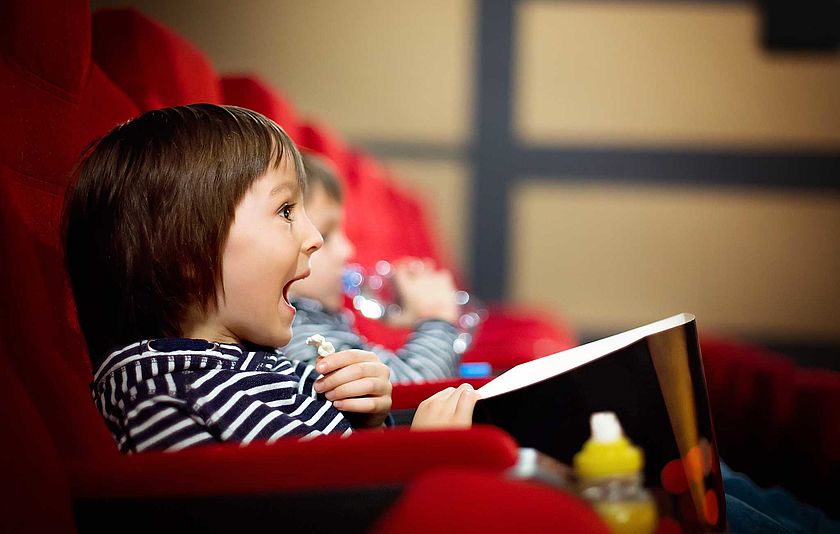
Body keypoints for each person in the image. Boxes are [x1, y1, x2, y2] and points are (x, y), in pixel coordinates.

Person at [63, 104, 480, 453]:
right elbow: (288, 506)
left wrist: (367, 423)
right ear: (188, 255)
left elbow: (324, 462)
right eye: (285, 212)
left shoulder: (252, 363)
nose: (314, 239)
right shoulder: (163, 393)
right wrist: (419, 455)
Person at [282, 152, 465, 383]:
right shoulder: (303, 337)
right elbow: (407, 391)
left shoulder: (317, 323)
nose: (347, 251)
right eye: (326, 236)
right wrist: (436, 317)